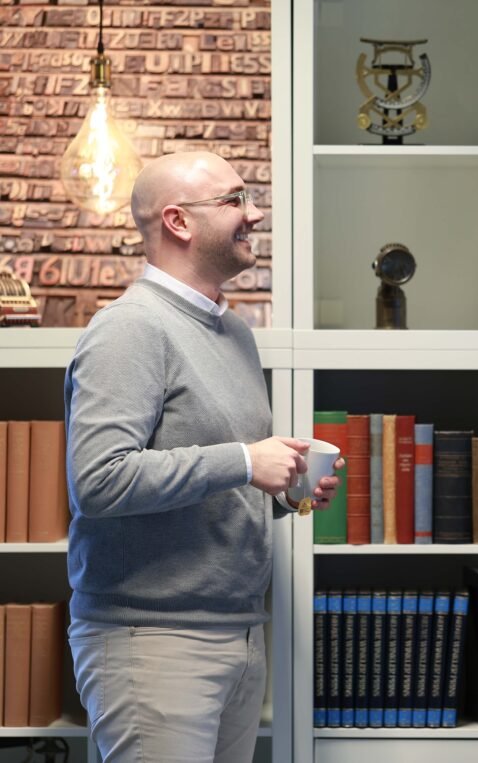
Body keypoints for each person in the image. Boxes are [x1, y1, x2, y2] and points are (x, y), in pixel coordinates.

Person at [64, 151, 343, 762]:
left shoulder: (233, 333)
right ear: (178, 222)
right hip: (151, 643)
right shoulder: (129, 328)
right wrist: (244, 461)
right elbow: (99, 480)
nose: (256, 213)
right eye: (235, 200)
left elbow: (213, 480)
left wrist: (284, 493)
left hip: (238, 635)